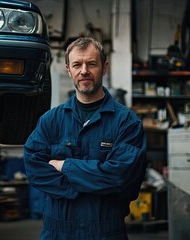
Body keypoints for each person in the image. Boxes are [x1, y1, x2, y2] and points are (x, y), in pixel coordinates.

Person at [23, 37, 147, 240]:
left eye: (91, 64)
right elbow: (34, 169)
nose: (84, 71)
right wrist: (93, 182)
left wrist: (65, 166)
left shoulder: (127, 122)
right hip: (58, 231)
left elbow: (120, 178)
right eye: (77, 65)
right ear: (68, 69)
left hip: (105, 231)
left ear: (104, 67)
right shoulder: (50, 120)